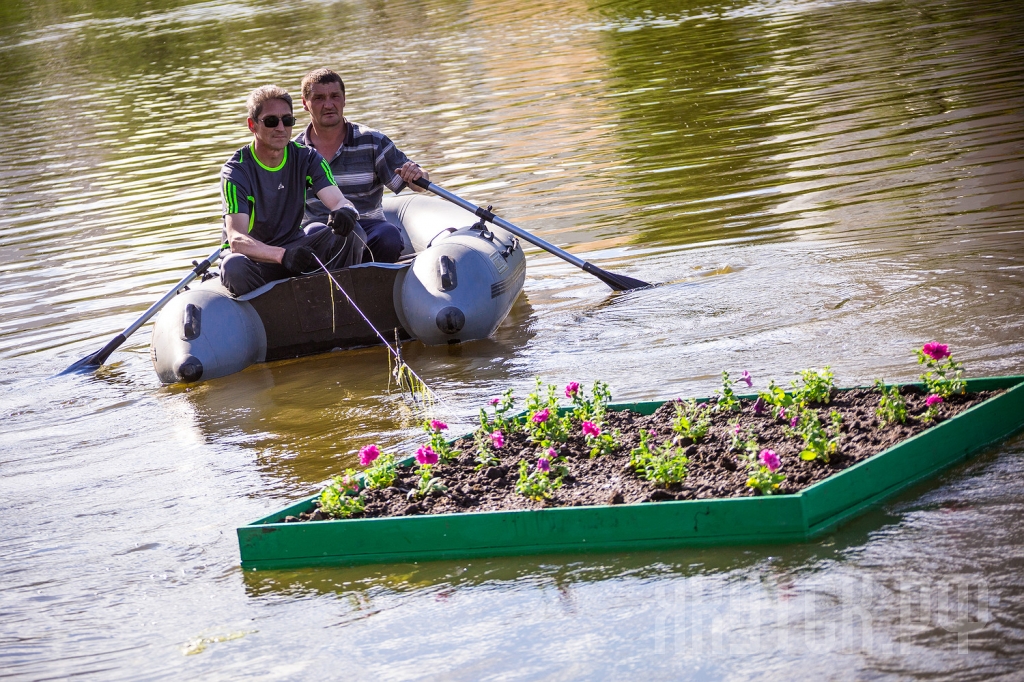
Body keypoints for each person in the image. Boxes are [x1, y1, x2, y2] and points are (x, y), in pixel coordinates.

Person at [219, 84, 364, 296]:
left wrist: (346, 212)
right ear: (252, 125)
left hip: (295, 248)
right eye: (271, 121)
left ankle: (336, 302)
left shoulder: (308, 157)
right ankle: (268, 319)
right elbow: (237, 240)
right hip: (256, 258)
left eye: (287, 120)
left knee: (354, 233)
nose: (280, 128)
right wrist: (283, 255)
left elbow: (339, 201)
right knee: (234, 267)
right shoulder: (236, 171)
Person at [294, 68, 429, 264]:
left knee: (389, 235)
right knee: (312, 233)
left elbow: (418, 183)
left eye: (335, 96)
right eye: (319, 98)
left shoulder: (372, 141)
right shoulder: (295, 152)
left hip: (369, 229)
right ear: (305, 104)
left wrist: (418, 174)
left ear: (344, 99)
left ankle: (378, 288)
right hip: (320, 233)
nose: (328, 104)